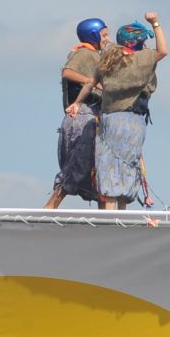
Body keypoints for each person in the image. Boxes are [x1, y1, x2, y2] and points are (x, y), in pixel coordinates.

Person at [94, 14, 167, 210]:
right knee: (127, 164)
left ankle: (112, 213)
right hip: (133, 120)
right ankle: (118, 215)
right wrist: (156, 23)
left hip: (111, 118)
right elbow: (163, 50)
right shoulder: (140, 60)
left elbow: (95, 83)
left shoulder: (109, 60)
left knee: (111, 164)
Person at [46, 18, 106, 209]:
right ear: (94, 35)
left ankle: (106, 215)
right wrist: (92, 82)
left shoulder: (96, 55)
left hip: (95, 115)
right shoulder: (83, 53)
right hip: (84, 116)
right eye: (104, 35)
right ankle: (51, 206)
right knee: (78, 162)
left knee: (97, 169)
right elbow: (68, 72)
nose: (107, 39)